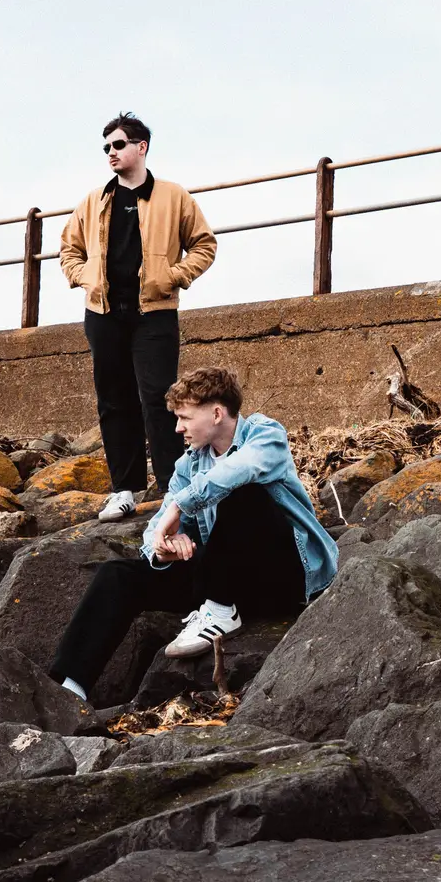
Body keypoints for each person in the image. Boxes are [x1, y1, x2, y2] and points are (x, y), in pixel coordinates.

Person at [49, 366, 340, 700]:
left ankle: (219, 611)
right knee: (118, 575)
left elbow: (237, 471)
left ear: (216, 413)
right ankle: (71, 687)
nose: (177, 427)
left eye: (185, 418)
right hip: (228, 578)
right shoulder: (189, 465)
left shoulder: (265, 434)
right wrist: (163, 548)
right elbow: (156, 528)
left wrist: (179, 507)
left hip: (282, 576)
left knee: (245, 494)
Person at [60, 113, 218, 522]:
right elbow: (68, 250)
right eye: (106, 147)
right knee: (114, 401)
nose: (110, 153)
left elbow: (203, 245)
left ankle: (173, 487)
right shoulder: (93, 201)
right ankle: (123, 489)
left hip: (155, 314)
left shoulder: (173, 196)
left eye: (117, 145)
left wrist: (174, 276)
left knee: (161, 399)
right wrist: (86, 279)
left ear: (140, 147)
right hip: (104, 315)